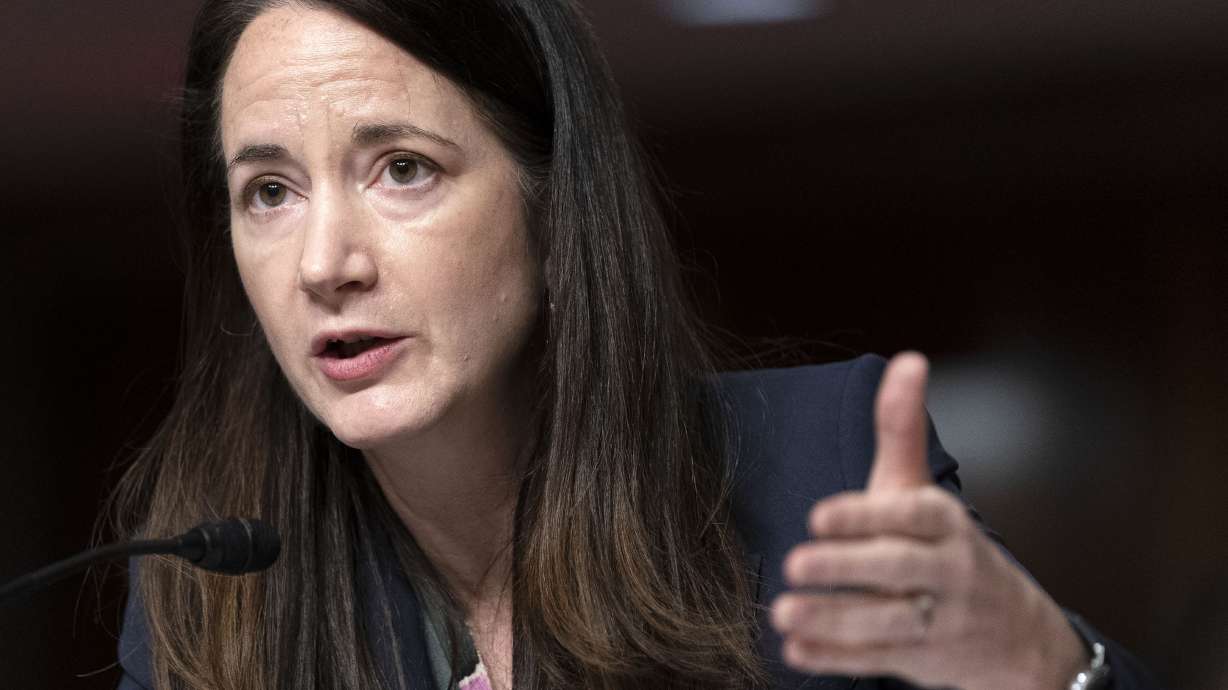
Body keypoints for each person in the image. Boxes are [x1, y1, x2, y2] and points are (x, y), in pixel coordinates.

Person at [110, 1, 1160, 689]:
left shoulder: (818, 475)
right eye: (270, 192)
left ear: (552, 201)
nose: (322, 263)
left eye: (403, 169)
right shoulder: (208, 586)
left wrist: (1041, 664)